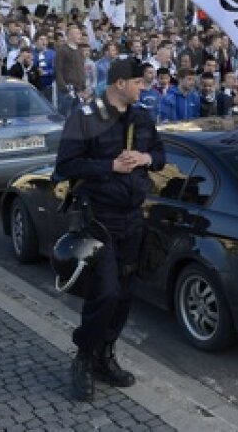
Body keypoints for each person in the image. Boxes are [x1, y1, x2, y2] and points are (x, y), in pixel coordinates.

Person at [53, 57, 165, 402]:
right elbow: (65, 166)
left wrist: (145, 159)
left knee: (126, 293)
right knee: (105, 292)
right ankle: (84, 358)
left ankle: (106, 354)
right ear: (120, 84)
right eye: (138, 82)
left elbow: (160, 154)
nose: (142, 87)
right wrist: (110, 165)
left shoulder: (142, 116)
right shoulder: (86, 118)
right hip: (99, 218)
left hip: (132, 217)